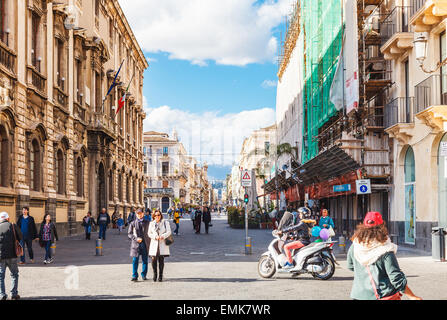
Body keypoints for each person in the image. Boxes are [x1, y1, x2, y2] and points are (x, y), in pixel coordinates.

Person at [347, 212, 422, 300]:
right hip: (382, 295)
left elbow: (351, 266)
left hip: (358, 295)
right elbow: (395, 278)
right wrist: (412, 296)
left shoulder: (355, 245)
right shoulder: (385, 249)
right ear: (382, 227)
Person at [0, 212, 22, 300]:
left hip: (1, 256)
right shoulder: (13, 226)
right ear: (8, 218)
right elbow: (20, 236)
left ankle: (2, 295)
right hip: (12, 254)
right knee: (14, 274)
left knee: (1, 277)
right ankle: (14, 294)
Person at [148, 210, 171, 282]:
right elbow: (149, 233)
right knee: (153, 259)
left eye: (158, 215)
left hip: (162, 242)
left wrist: (162, 236)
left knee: (161, 259)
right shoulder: (151, 223)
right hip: (154, 243)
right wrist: (155, 237)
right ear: (153, 216)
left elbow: (169, 231)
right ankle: (155, 274)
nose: (157, 216)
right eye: (156, 215)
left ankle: (160, 275)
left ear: (161, 215)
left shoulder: (165, 222)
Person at [128, 210, 150, 282]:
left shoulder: (147, 222)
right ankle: (134, 276)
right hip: (136, 244)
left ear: (143, 214)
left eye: (140, 213)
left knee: (145, 260)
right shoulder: (133, 223)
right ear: (136, 215)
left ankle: (144, 275)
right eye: (138, 214)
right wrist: (136, 238)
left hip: (145, 243)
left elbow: (150, 232)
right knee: (135, 260)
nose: (139, 215)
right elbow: (129, 234)